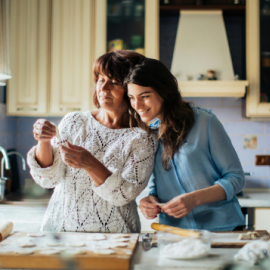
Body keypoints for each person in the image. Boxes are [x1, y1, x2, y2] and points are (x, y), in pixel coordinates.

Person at [27, 51, 157, 233]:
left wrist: (90, 163)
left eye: (114, 82)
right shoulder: (74, 122)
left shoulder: (143, 137)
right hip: (60, 231)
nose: (103, 89)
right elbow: (48, 179)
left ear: (130, 89)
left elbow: (124, 194)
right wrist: (43, 142)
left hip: (116, 237)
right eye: (100, 80)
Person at [124, 58, 245, 231]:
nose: (137, 105)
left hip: (222, 230)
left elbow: (236, 178)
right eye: (131, 98)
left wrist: (193, 199)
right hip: (176, 233)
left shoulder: (205, 121)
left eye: (145, 96)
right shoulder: (147, 133)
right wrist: (151, 199)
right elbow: (158, 182)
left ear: (164, 91)